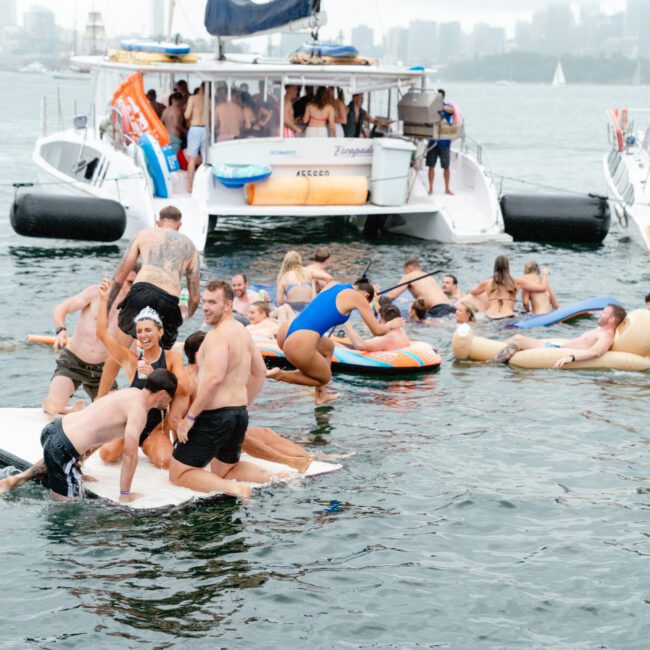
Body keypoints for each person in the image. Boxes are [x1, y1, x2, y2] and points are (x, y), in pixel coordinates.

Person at [170, 280, 283, 498]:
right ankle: (278, 478)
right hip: (238, 414)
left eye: (213, 302)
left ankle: (236, 490)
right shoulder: (242, 331)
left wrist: (190, 417)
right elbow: (260, 372)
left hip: (214, 417)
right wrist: (243, 404)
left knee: (178, 472)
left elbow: (214, 379)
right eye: (204, 301)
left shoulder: (216, 336)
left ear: (228, 305)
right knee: (225, 468)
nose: (206, 307)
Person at [0, 370, 177, 501]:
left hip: (54, 428)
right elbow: (130, 455)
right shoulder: (139, 411)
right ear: (162, 394)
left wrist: (77, 466)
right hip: (63, 448)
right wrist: (125, 494)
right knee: (67, 514)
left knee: (57, 459)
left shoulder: (129, 393)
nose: (170, 402)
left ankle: (17, 479)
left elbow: (98, 433)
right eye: (171, 397)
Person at [180, 331, 316, 473]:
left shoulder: (212, 375)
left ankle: (309, 456)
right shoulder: (187, 380)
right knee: (237, 435)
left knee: (264, 432)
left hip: (215, 431)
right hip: (197, 437)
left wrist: (269, 374)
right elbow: (177, 420)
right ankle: (291, 462)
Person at [98, 206, 200, 394]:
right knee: (161, 358)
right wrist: (186, 316)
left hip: (141, 290)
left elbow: (120, 277)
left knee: (118, 349)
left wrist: (105, 309)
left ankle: (100, 398)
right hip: (169, 298)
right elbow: (194, 296)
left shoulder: (143, 234)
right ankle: (157, 407)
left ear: (158, 222)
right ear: (180, 225)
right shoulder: (190, 246)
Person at [96, 279, 187, 468]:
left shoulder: (171, 358)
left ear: (160, 332)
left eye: (148, 330)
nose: (143, 335)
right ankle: (126, 442)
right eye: (139, 331)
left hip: (154, 428)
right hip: (129, 425)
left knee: (166, 463)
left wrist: (157, 375)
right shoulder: (131, 360)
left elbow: (184, 388)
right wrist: (104, 300)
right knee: (106, 455)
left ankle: (146, 445)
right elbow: (102, 335)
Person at [267, 279, 405, 405]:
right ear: (366, 296)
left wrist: (370, 292)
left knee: (328, 347)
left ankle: (322, 395)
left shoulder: (335, 284)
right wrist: (391, 325)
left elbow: (324, 304)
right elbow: (378, 331)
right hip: (300, 340)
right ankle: (280, 375)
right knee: (323, 378)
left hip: (288, 329)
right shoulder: (359, 298)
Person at [41, 271, 137, 415]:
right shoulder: (95, 293)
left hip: (102, 370)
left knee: (113, 413)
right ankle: (72, 410)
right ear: (121, 279)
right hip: (73, 362)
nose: (133, 288)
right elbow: (61, 308)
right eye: (130, 283)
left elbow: (132, 353)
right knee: (52, 407)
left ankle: (92, 408)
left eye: (137, 284)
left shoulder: (134, 312)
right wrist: (61, 330)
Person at [491, 304, 627, 368]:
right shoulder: (600, 328)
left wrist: (571, 358)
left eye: (604, 313)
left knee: (519, 339)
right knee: (517, 337)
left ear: (612, 320)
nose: (600, 314)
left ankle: (489, 359)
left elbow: (596, 352)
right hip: (557, 346)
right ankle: (490, 351)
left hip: (557, 352)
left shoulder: (606, 336)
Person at [470, 255, 549, 320]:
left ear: (495, 267)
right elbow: (542, 287)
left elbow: (473, 292)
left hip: (489, 317)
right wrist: (545, 274)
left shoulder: (486, 283)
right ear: (507, 267)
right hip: (507, 317)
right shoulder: (516, 282)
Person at [388, 257, 455, 318]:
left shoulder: (410, 276)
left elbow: (392, 296)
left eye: (405, 271)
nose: (405, 274)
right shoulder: (428, 276)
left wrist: (377, 305)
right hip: (451, 307)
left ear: (408, 268)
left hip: (439, 309)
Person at [344, 303, 410, 352]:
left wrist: (345, 322)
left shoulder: (386, 338)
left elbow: (360, 345)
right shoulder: (401, 330)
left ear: (383, 320)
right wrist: (375, 301)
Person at [426, 88, 454, 195]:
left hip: (444, 142)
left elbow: (452, 111)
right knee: (431, 166)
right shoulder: (431, 107)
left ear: (443, 98)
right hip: (433, 141)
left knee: (446, 167)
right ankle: (430, 188)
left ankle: (447, 188)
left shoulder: (447, 107)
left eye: (439, 97)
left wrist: (440, 106)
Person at [184, 82, 206, 192]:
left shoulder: (193, 98)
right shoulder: (210, 100)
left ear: (201, 87)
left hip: (195, 128)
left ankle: (190, 187)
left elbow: (187, 115)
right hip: (206, 129)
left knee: (192, 159)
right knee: (206, 160)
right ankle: (205, 185)